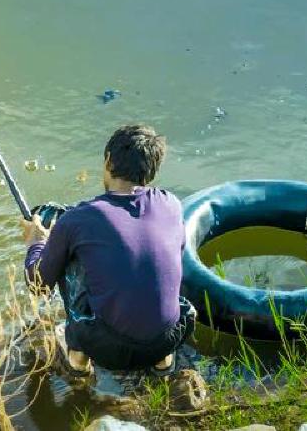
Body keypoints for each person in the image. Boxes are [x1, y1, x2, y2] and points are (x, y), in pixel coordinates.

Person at [22, 124, 195, 374]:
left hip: (108, 350)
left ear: (108, 160)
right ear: (153, 170)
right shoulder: (171, 204)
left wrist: (36, 242)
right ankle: (163, 364)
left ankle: (78, 362)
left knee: (72, 262)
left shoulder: (79, 219)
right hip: (169, 338)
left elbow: (38, 285)